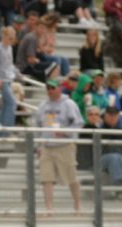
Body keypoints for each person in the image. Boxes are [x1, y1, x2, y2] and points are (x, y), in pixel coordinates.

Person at [34, 78, 83, 214]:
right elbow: (38, 126)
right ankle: (49, 208)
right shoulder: (43, 105)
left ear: (59, 88)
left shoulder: (69, 104)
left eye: (53, 88)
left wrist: (65, 132)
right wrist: (38, 145)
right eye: (48, 88)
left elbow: (78, 123)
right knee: (46, 178)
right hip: (47, 146)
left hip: (64, 146)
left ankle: (77, 206)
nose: (50, 90)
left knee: (72, 177)